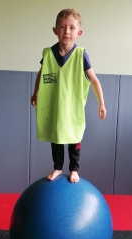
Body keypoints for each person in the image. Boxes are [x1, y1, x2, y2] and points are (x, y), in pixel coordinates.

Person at [31, 8, 106, 183]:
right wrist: (36, 92)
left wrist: (101, 103)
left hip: (73, 107)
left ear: (78, 33)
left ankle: (74, 169)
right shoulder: (48, 54)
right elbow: (41, 75)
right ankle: (57, 167)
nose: (66, 31)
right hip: (54, 105)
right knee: (56, 137)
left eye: (72, 28)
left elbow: (94, 80)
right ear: (55, 30)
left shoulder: (81, 55)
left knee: (74, 138)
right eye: (62, 27)